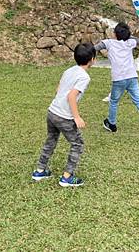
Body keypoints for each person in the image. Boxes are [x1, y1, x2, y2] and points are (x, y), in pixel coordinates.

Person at [32, 43, 96, 187]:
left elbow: (58, 89)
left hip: (52, 112)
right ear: (92, 59)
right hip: (64, 117)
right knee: (77, 143)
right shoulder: (84, 77)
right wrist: (76, 117)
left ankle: (40, 170)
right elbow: (71, 97)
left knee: (51, 140)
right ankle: (67, 177)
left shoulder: (69, 70)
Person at [95, 22, 139, 142]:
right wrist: (127, 36)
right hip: (132, 77)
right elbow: (137, 39)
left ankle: (111, 124)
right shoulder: (130, 42)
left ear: (115, 34)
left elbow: (95, 48)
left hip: (119, 79)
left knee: (114, 101)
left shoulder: (109, 43)